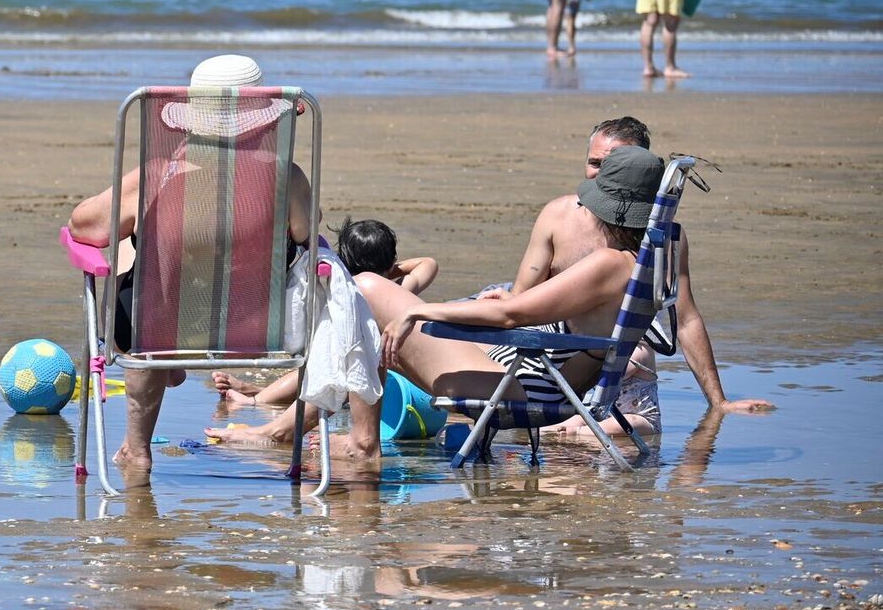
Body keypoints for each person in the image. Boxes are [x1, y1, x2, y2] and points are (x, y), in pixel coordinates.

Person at [68, 54, 315, 474]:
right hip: (258, 328)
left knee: (135, 253)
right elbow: (307, 233)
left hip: (164, 329)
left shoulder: (157, 175)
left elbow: (85, 228)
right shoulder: (285, 177)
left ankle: (137, 447)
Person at [486, 116, 772, 434]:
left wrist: (718, 402)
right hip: (553, 340)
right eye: (594, 163)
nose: (600, 175)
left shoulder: (662, 239)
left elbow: (686, 318)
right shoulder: (558, 215)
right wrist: (504, 303)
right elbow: (523, 300)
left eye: (613, 166)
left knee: (638, 354)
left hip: (613, 348)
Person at [371, 147, 674, 437]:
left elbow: (509, 316)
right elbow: (524, 310)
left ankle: (362, 440)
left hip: (522, 390)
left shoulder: (610, 263)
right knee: (387, 331)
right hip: (539, 376)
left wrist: (418, 311)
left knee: (368, 288)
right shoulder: (645, 264)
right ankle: (344, 427)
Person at [206, 216, 437, 459]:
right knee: (330, 368)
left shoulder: (350, 294)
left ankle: (260, 404)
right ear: (391, 261)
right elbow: (428, 263)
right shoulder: (399, 291)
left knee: (327, 366)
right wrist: (391, 271)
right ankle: (261, 402)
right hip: (381, 376)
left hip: (364, 373)